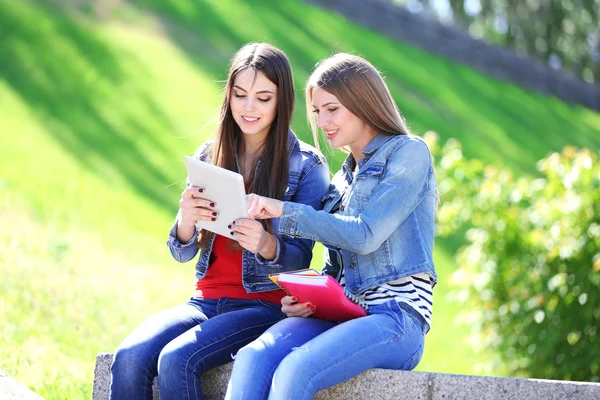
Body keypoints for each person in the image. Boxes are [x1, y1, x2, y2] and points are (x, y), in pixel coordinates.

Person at [110, 43, 330, 400]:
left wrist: (264, 243)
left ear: (282, 101)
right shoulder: (209, 155)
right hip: (205, 301)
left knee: (177, 360)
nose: (248, 107)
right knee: (129, 358)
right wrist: (186, 219)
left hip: (265, 305)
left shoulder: (307, 165)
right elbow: (181, 253)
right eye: (240, 95)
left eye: (263, 98)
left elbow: (301, 259)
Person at [226, 53, 438, 400]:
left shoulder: (409, 154)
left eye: (332, 109)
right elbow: (336, 265)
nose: (322, 121)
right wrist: (307, 298)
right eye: (317, 111)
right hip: (342, 315)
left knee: (296, 369)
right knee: (253, 357)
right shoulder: (342, 179)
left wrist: (284, 210)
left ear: (362, 102)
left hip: (396, 319)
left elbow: (364, 235)